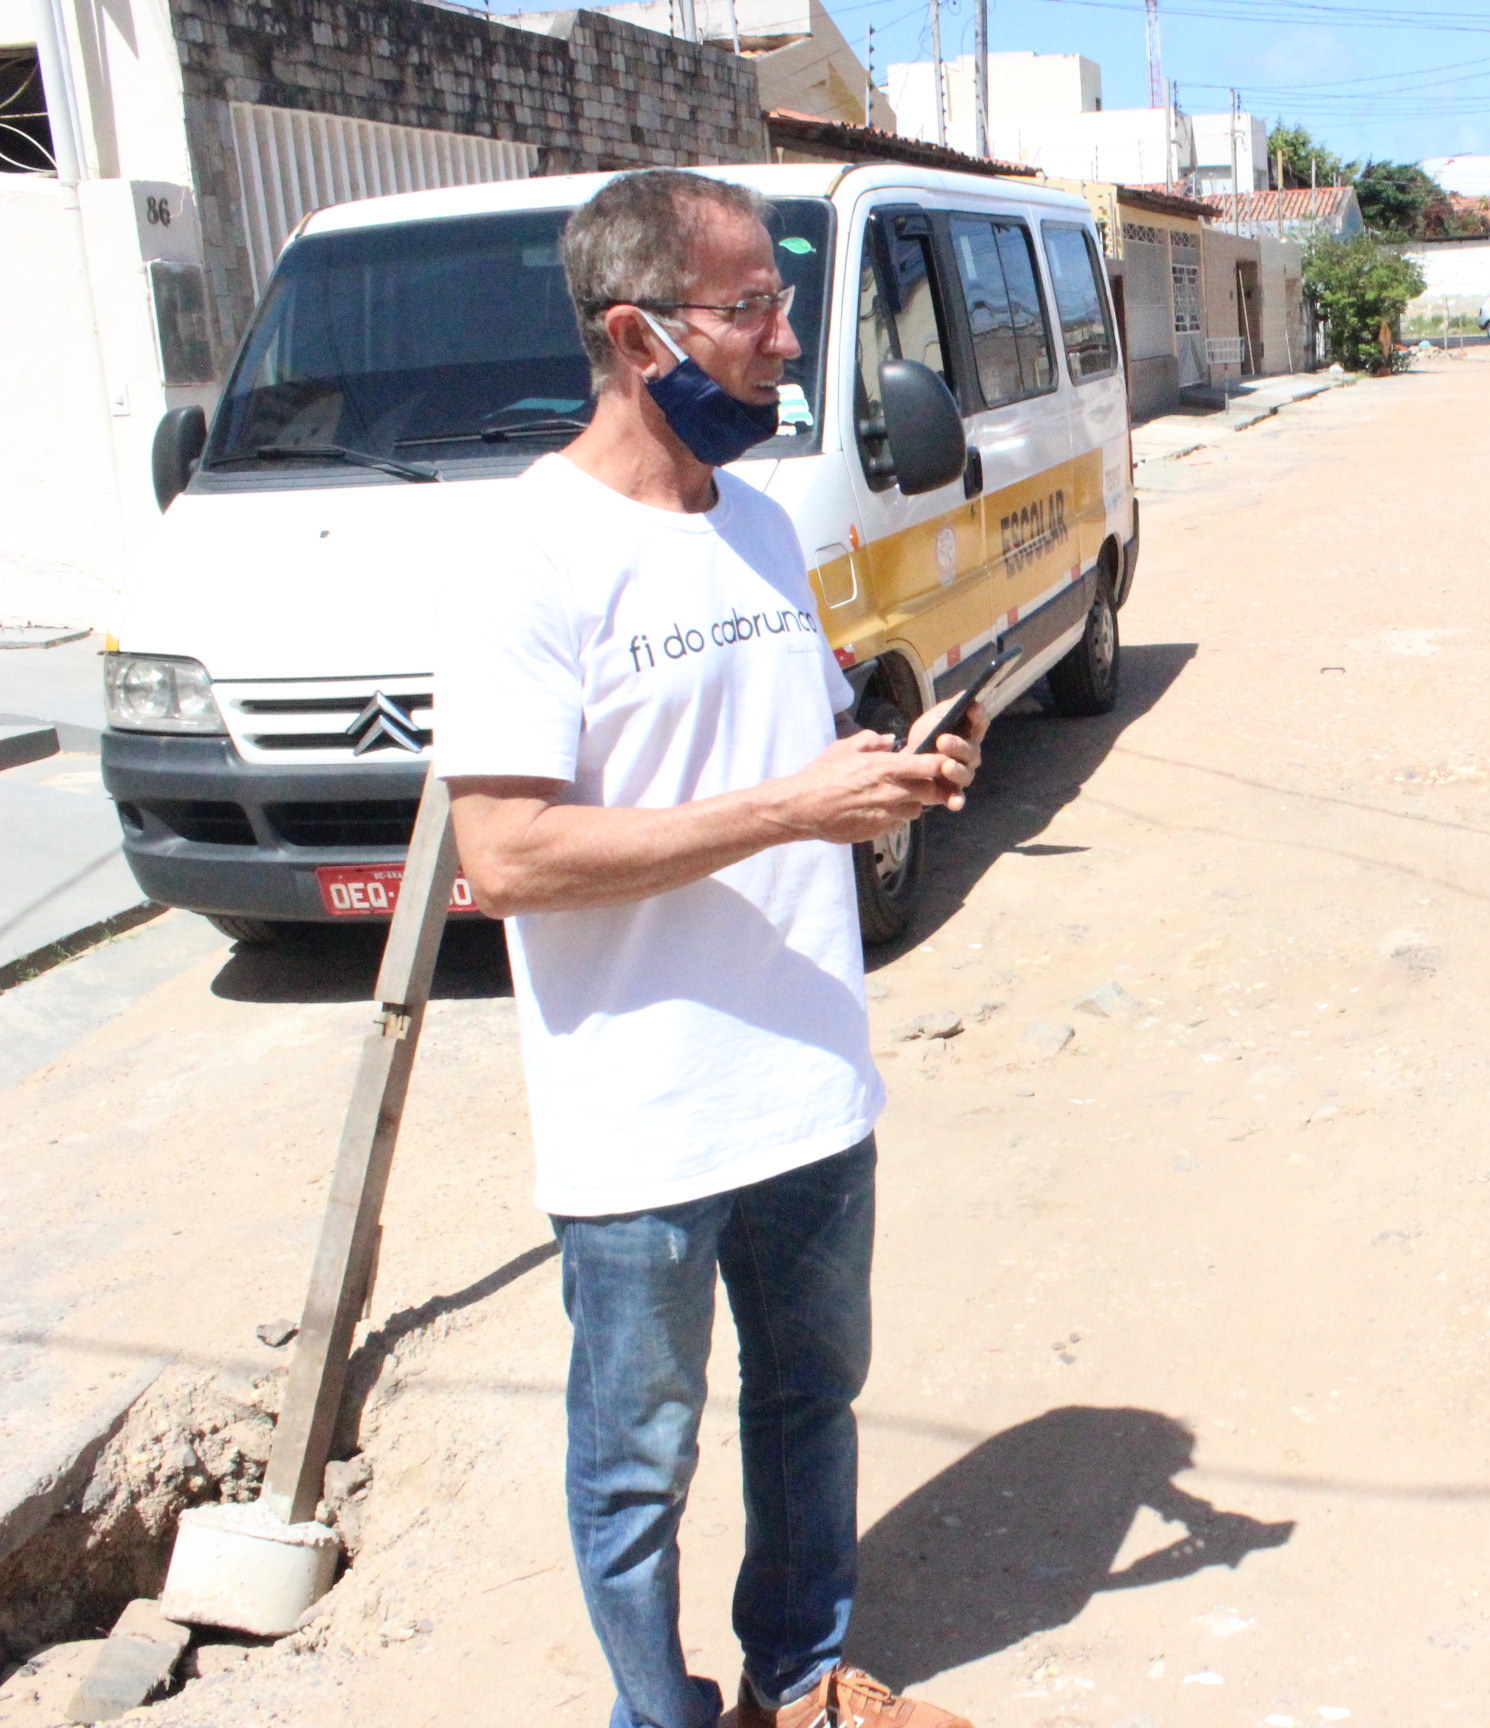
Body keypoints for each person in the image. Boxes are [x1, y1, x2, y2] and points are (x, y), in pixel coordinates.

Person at [438, 169, 984, 1728]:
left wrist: (887, 769)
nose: (789, 342)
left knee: (812, 1404)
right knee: (639, 1459)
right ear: (636, 337)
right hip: (645, 1115)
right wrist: (790, 808)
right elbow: (505, 857)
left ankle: (801, 1682)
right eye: (750, 310)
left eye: (780, 304)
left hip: (808, 1081)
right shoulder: (528, 553)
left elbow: (780, 753)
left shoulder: (756, 522)